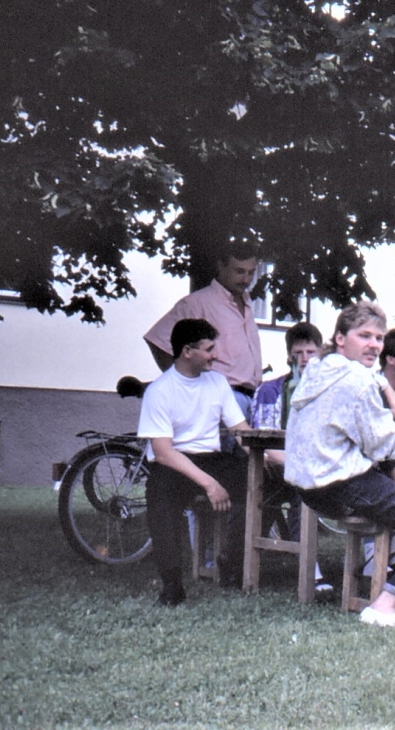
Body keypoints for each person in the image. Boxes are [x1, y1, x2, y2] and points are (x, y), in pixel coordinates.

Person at [284, 302, 395, 629]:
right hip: (344, 486)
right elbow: (384, 446)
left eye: (379, 338)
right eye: (364, 335)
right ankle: (385, 605)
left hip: (308, 490)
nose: (374, 344)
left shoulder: (316, 370)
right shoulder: (355, 379)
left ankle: (389, 579)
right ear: (341, 338)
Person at [138, 319, 250, 606]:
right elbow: (163, 452)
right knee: (160, 498)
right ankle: (172, 584)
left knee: (261, 485)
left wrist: (275, 459)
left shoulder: (217, 382)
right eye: (210, 349)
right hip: (174, 465)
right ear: (188, 351)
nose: (216, 354)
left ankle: (230, 562)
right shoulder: (159, 391)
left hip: (212, 460)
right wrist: (209, 484)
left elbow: (241, 433)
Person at [250, 321, 330, 592]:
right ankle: (309, 569)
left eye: (311, 352)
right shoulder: (270, 390)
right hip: (277, 468)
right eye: (299, 353)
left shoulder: (330, 391)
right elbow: (263, 442)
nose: (305, 359)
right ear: (289, 356)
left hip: (320, 468)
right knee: (299, 488)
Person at [143, 243, 262, 418]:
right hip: (218, 398)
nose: (245, 279)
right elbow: (158, 341)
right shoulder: (197, 303)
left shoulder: (247, 303)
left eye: (250, 272)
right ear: (221, 266)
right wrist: (187, 384)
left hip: (251, 400)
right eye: (239, 271)